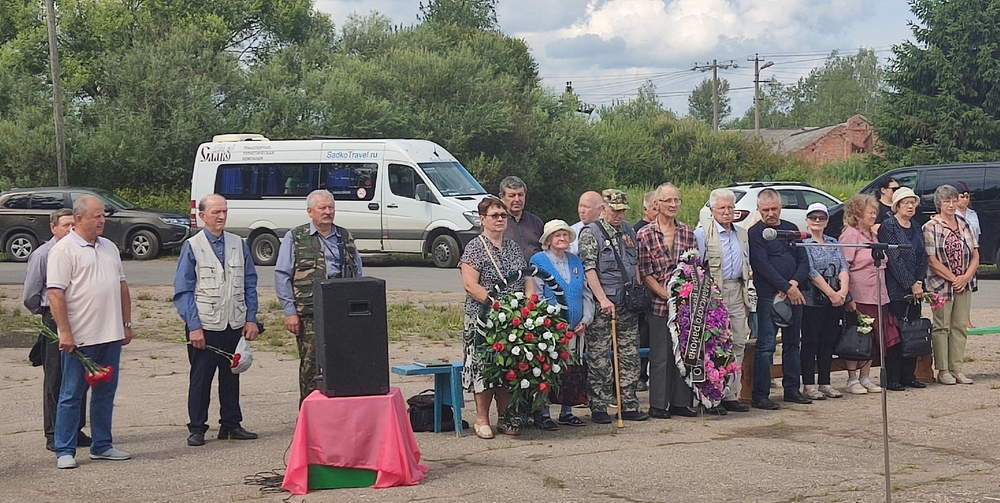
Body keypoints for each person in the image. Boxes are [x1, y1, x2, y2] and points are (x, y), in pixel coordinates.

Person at [46, 195, 133, 469]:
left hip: (110, 334)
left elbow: (121, 286)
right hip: (81, 337)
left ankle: (102, 445)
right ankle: (64, 449)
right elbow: (55, 294)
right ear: (80, 218)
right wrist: (65, 332)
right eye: (96, 216)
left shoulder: (109, 247)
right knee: (71, 394)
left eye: (103, 215)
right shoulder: (64, 250)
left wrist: (126, 324)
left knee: (106, 392)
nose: (102, 220)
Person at [173, 194, 260, 447]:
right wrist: (194, 326)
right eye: (215, 212)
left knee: (231, 375)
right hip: (205, 325)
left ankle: (231, 424)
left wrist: (251, 318)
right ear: (202, 216)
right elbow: (183, 289)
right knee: (201, 378)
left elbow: (250, 283)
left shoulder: (238, 243)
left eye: (224, 211)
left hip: (233, 322)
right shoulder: (193, 245)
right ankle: (197, 427)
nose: (221, 216)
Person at [275, 190, 363, 402]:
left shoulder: (345, 236)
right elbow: (282, 276)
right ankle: (309, 417)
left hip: (342, 314)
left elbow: (358, 272)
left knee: (342, 364)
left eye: (331, 207)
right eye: (322, 208)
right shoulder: (295, 237)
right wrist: (290, 312)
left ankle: (338, 413)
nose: (328, 212)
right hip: (309, 314)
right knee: (311, 366)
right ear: (310, 212)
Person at [459, 197, 536, 438]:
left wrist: (528, 302)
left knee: (507, 367)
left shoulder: (513, 247)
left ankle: (505, 416)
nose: (501, 219)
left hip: (512, 318)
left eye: (503, 215)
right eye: (495, 215)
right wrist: (496, 305)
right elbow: (470, 285)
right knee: (484, 367)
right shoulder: (474, 247)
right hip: (483, 318)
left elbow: (527, 277)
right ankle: (482, 418)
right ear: (483, 219)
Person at [578, 189, 650, 423]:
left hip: (627, 303)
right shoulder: (591, 233)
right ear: (603, 209)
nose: (618, 215)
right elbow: (589, 269)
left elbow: (635, 263)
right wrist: (602, 299)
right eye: (614, 210)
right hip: (605, 305)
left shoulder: (629, 230)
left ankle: (628, 403)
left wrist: (637, 289)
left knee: (629, 355)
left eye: (622, 211)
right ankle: (598, 405)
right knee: (599, 358)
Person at [22, 209, 90, 452]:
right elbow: (30, 293)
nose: (70, 230)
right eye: (65, 226)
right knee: (55, 377)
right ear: (53, 228)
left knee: (80, 374)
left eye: (74, 225)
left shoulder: (79, 251)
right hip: (53, 318)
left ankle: (75, 428)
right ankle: (53, 432)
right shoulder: (43, 254)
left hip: (81, 318)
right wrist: (46, 314)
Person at [637, 183, 699, 419]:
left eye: (676, 200)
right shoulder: (645, 234)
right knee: (661, 355)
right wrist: (665, 294)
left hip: (684, 305)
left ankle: (681, 402)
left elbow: (695, 268)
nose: (673, 205)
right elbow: (644, 272)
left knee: (683, 354)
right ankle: (659, 404)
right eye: (668, 201)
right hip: (659, 303)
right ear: (657, 204)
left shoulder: (687, 232)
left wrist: (683, 295)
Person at [748, 188, 811, 409]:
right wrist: (784, 287)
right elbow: (762, 265)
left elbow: (804, 260)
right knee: (766, 346)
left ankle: (792, 389)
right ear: (759, 210)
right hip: (769, 296)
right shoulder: (755, 233)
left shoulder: (791, 229)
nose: (770, 213)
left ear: (780, 207)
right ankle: (761, 394)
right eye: (765, 210)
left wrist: (794, 284)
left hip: (795, 294)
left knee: (793, 344)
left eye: (774, 209)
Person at [530, 219, 595, 428]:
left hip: (576, 329)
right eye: (557, 235)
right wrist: (551, 321)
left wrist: (586, 319)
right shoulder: (539, 260)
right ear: (548, 239)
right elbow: (537, 294)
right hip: (550, 327)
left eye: (565, 235)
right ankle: (543, 412)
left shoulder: (575, 261)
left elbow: (586, 293)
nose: (562, 238)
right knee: (547, 369)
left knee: (571, 371)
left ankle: (567, 410)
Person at [694, 188, 753, 412]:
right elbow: (696, 267)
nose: (727, 212)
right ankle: (712, 397)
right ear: (712, 210)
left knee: (738, 342)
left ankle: (731, 395)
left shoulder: (741, 233)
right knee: (714, 345)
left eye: (731, 207)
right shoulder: (702, 233)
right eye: (722, 208)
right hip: (713, 294)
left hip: (737, 291)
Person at [840, 194, 896, 394]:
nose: (874, 215)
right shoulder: (850, 235)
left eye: (875, 212)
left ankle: (865, 376)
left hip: (878, 293)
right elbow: (843, 266)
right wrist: (848, 296)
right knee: (858, 336)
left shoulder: (872, 235)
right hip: (860, 294)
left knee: (873, 337)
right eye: (870, 212)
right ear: (858, 214)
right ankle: (852, 378)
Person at [923, 185, 979, 385]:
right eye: (947, 201)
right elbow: (931, 259)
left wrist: (964, 277)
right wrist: (953, 278)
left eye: (954, 200)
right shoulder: (931, 226)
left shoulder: (965, 223)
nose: (951, 204)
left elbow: (975, 254)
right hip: (940, 285)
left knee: (959, 326)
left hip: (965, 283)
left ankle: (957, 368)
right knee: (941, 327)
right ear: (939, 203)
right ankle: (943, 369)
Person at [878, 188, 927, 390]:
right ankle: (893, 378)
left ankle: (909, 375)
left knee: (913, 331)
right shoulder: (889, 226)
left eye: (912, 202)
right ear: (897, 205)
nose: (910, 206)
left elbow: (922, 256)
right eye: (905, 202)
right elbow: (894, 260)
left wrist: (920, 281)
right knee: (896, 332)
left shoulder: (916, 226)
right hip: (897, 288)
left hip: (916, 288)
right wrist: (910, 283)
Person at [800, 203, 849, 399]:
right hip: (814, 297)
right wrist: (830, 292)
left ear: (827, 220)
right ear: (807, 220)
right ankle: (809, 384)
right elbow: (811, 271)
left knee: (828, 340)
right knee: (811, 341)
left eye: (821, 217)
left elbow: (843, 267)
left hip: (835, 297)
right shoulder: (804, 243)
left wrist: (842, 292)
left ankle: (825, 382)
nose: (817, 221)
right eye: (813, 217)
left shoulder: (833, 241)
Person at [633, 190, 657, 390]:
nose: (658, 212)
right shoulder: (637, 231)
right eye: (655, 208)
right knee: (643, 334)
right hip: (642, 293)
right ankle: (640, 375)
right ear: (646, 208)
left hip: (661, 294)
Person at [499, 176, 544, 261]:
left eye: (520, 195)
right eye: (512, 196)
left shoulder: (536, 222)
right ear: (502, 197)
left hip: (535, 271)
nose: (517, 199)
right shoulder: (496, 222)